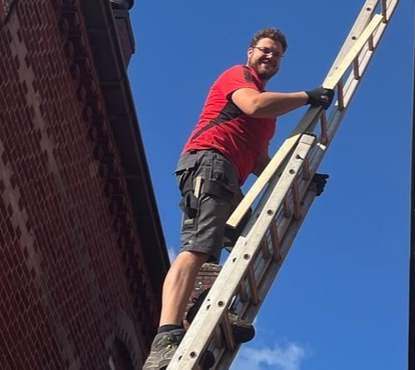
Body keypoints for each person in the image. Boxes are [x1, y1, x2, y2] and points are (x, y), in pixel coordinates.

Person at [142, 28, 334, 370]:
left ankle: (209, 307)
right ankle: (166, 337)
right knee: (198, 246)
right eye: (264, 50)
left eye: (276, 54)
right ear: (250, 53)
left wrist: (302, 180)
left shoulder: (269, 120)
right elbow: (252, 105)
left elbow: (261, 162)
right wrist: (307, 96)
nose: (270, 56)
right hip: (210, 163)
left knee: (251, 240)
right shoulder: (239, 77)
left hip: (230, 178)